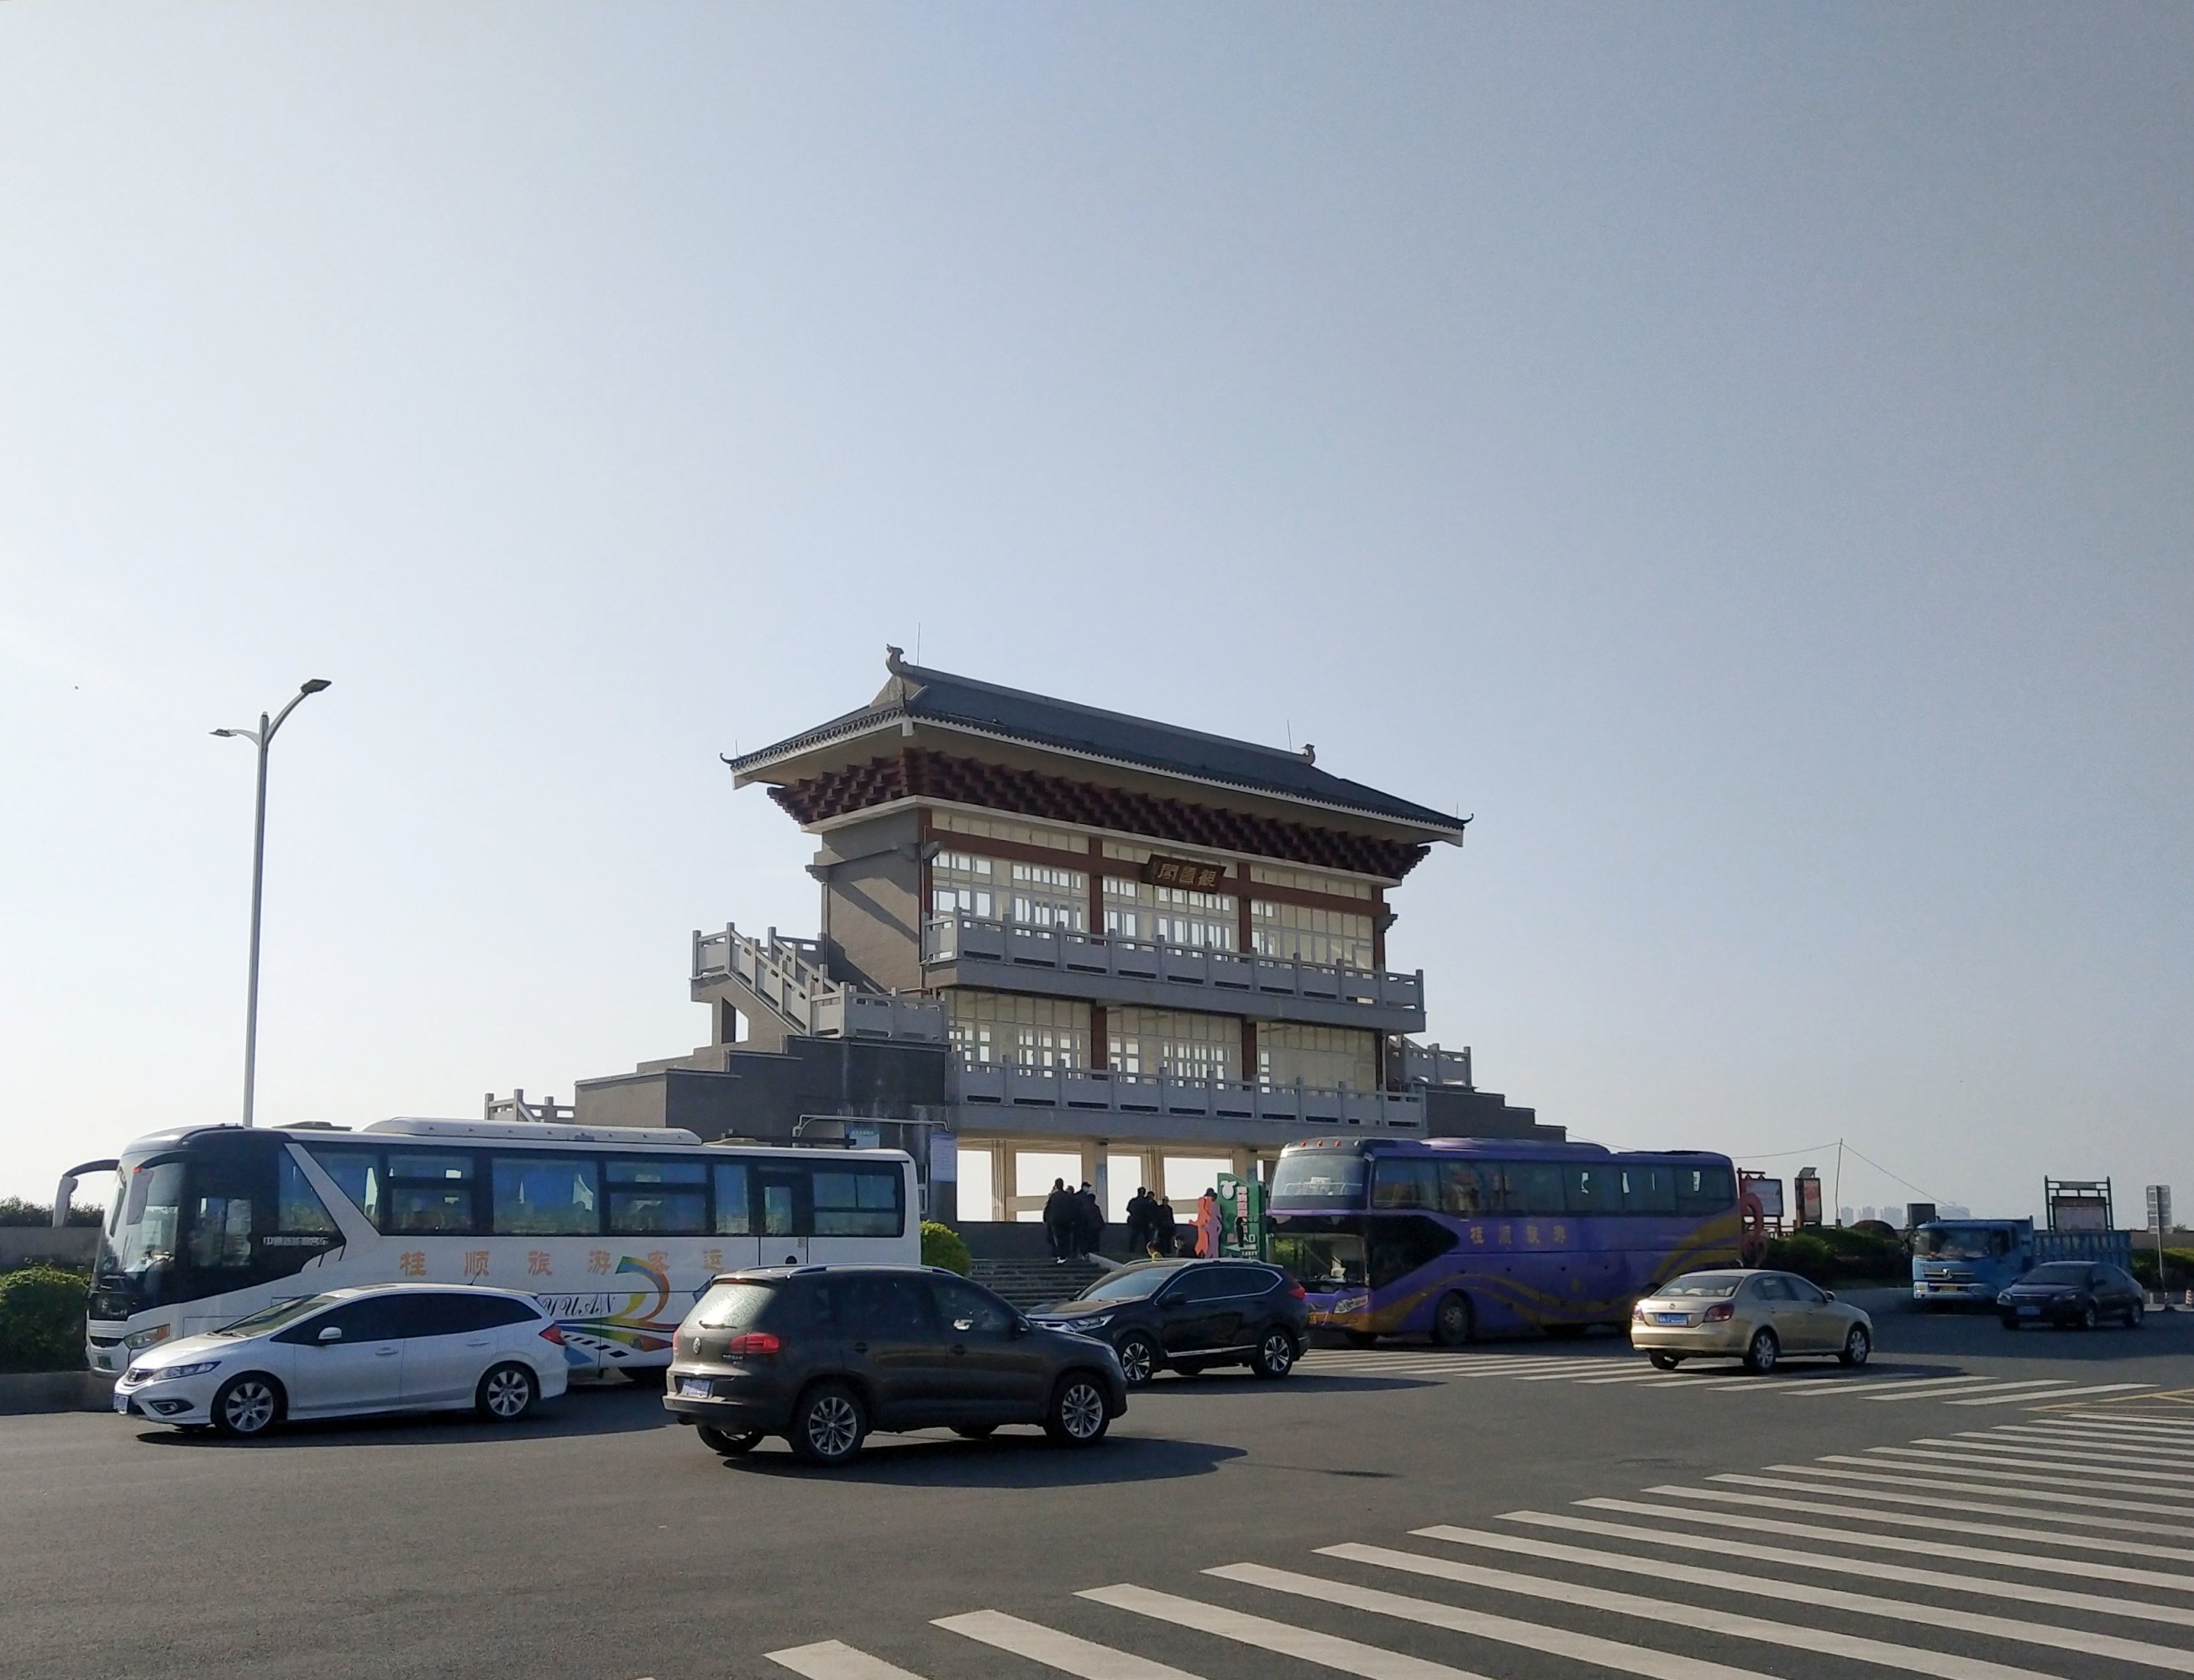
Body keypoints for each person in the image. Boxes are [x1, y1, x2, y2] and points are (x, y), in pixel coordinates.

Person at [1042, 1178, 1073, 1263]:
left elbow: (1047, 1208)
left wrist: (1046, 1219)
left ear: (1056, 1185)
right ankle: (1064, 1255)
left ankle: (1059, 1255)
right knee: (1065, 1239)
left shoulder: (1053, 1196)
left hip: (1055, 1221)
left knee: (1057, 1238)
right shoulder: (1068, 1196)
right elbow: (1072, 1209)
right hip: (1066, 1221)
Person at [1076, 1183, 1104, 1260]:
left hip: (1086, 1226)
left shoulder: (1085, 1205)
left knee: (1086, 1242)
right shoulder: (1095, 1207)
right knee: (1093, 1243)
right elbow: (1099, 1218)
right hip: (1094, 1228)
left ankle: (1086, 1255)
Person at [1124, 1186, 1153, 1257]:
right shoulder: (1146, 1202)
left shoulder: (1133, 1201)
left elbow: (1128, 1209)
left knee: (1134, 1237)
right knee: (1147, 1238)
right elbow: (1149, 1212)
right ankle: (1148, 1251)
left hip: (1135, 1221)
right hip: (1144, 1222)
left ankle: (1131, 1250)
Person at [1195, 1188, 1222, 1259]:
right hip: (1212, 1227)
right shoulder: (1215, 1205)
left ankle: (1206, 1257)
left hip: (1209, 1226)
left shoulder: (1206, 1206)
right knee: (1213, 1245)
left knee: (1209, 1244)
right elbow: (1219, 1216)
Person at [1152, 1194, 1177, 1259]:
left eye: (1165, 1200)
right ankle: (1162, 1252)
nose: (1164, 1202)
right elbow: (1157, 1217)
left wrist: (1173, 1225)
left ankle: (1168, 1252)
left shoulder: (1170, 1208)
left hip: (1168, 1226)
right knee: (1161, 1241)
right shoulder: (1159, 1208)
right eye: (1163, 1200)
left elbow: (1171, 1217)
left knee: (1168, 1240)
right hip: (1161, 1227)